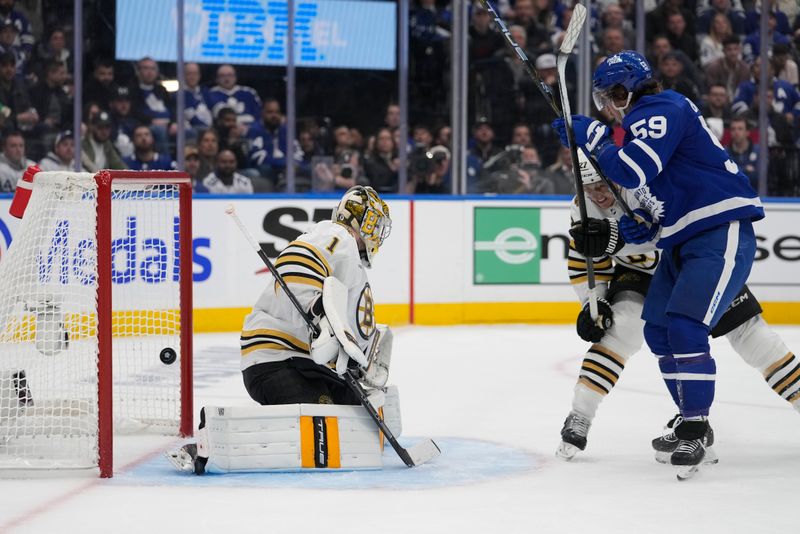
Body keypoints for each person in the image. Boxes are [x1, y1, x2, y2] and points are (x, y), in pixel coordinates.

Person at [553, 50, 764, 472]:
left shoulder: (659, 108)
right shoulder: (638, 127)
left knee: (717, 333)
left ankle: (694, 428)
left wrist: (592, 133)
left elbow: (631, 172)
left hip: (717, 229)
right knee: (659, 330)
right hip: (684, 238)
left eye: (608, 98)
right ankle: (692, 423)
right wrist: (639, 230)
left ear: (624, 89)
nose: (608, 108)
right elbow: (654, 211)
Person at [556, 155, 799, 463]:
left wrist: (614, 238)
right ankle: (581, 415)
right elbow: (584, 259)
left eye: (602, 184)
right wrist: (595, 302)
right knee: (619, 330)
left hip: (690, 262)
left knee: (754, 339)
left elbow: (666, 233)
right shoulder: (581, 206)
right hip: (641, 276)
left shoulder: (644, 184)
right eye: (589, 188)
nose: (598, 194)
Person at [166, 186, 394, 473]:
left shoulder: (352, 265)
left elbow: (346, 331)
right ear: (360, 221)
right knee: (321, 425)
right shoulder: (337, 235)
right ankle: (215, 432)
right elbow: (297, 262)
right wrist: (316, 309)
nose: (377, 234)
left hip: (305, 363)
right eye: (375, 225)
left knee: (352, 416)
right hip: (275, 360)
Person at [726, 117, 759, 190]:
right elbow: (727, 177)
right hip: (733, 195)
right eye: (733, 129)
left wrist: (737, 170)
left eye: (740, 129)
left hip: (756, 195)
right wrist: (746, 169)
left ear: (747, 132)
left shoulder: (758, 151)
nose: (736, 132)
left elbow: (759, 176)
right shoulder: (724, 152)